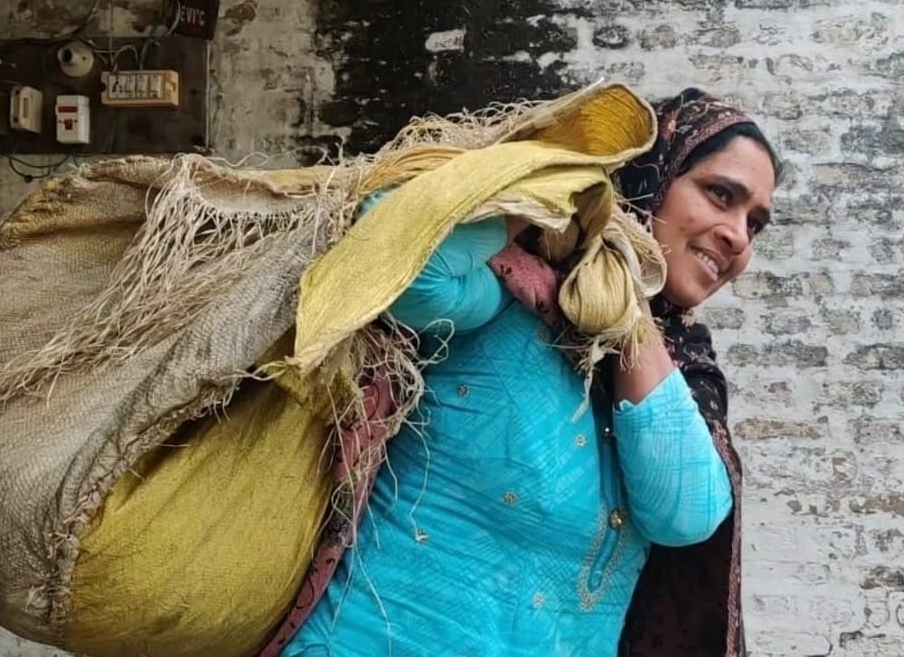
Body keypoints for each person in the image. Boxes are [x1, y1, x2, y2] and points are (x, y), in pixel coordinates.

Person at [283, 88, 780, 657]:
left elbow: (685, 514)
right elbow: (406, 268)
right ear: (651, 178)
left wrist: (627, 305)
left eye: (755, 223)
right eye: (721, 195)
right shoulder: (511, 290)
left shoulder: (685, 369)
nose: (738, 236)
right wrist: (559, 196)